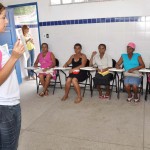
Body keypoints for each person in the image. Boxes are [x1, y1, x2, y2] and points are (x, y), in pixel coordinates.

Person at [0, 3, 25, 150]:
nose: (7, 21)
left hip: (9, 104)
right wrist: (14, 57)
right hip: (5, 107)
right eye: (3, 17)